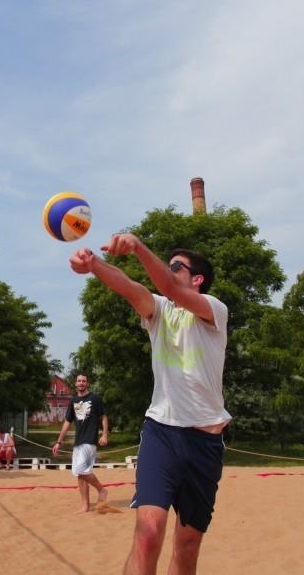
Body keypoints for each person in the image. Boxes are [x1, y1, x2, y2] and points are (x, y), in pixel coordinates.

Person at [70, 235, 230, 575]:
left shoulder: (214, 309)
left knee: (186, 549)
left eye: (176, 266)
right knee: (148, 533)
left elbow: (172, 289)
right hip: (161, 434)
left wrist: (139, 247)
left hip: (204, 443)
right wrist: (94, 264)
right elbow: (131, 287)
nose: (169, 270)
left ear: (197, 278)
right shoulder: (159, 311)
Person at [52, 374, 109, 514]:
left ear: (87, 383)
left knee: (80, 470)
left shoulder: (94, 398)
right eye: (79, 381)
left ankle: (102, 489)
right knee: (80, 474)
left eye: (84, 380)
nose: (81, 383)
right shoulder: (73, 401)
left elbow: (104, 417)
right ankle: (85, 506)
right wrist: (59, 442)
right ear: (75, 384)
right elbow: (67, 422)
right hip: (78, 442)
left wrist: (105, 434)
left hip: (90, 441)